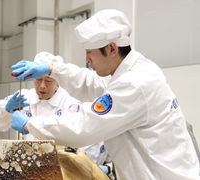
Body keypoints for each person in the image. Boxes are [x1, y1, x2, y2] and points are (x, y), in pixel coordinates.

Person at [10, 9, 199, 179]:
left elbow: (85, 126)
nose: (87, 59)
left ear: (112, 49)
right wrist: (52, 69)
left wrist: (31, 124)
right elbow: (92, 83)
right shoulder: (131, 70)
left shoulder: (135, 83)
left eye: (90, 52)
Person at [0, 52, 114, 177]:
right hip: (27, 169)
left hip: (59, 172)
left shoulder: (70, 104)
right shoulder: (25, 97)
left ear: (58, 81)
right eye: (38, 80)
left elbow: (83, 143)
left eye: (48, 80)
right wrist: (6, 108)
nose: (42, 86)